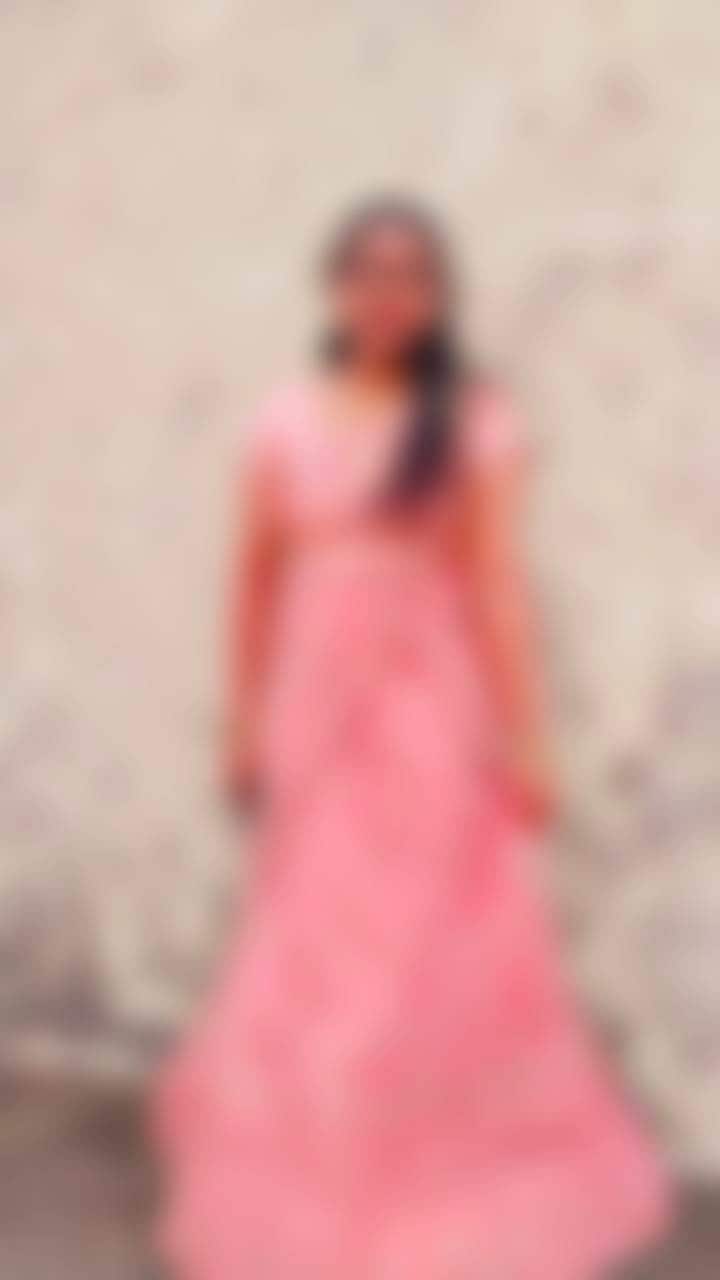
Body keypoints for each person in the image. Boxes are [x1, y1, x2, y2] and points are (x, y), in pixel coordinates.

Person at [153, 196, 671, 1279]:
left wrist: (528, 738)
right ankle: (312, 1181)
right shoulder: (284, 420)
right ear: (335, 288)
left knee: (419, 946)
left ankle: (422, 1184)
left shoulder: (474, 419)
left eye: (414, 276)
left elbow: (498, 586)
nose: (390, 295)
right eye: (371, 273)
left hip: (427, 709)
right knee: (311, 944)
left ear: (439, 298)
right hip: (312, 710)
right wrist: (242, 722)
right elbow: (254, 582)